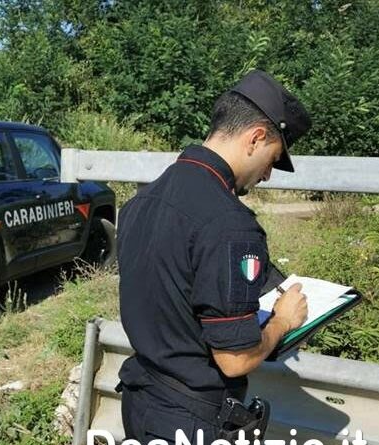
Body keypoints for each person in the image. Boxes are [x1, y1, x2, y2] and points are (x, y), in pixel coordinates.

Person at [117, 70, 312, 443]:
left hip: (141, 402)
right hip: (191, 421)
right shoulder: (230, 223)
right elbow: (234, 359)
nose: (268, 176)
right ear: (256, 138)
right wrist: (282, 322)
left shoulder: (143, 201)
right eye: (273, 159)